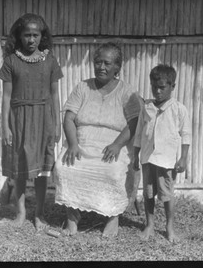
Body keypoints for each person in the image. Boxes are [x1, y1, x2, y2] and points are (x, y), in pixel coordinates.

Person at [54, 42, 142, 237]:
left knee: (112, 171)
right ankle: (72, 218)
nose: (101, 67)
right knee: (64, 167)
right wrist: (73, 144)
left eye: (107, 63)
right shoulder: (82, 87)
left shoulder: (127, 92)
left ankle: (112, 217)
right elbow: (68, 118)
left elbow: (135, 123)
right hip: (81, 143)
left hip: (113, 145)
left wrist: (118, 144)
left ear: (117, 67)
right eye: (98, 62)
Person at [0, 13, 63, 230]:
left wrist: (57, 123)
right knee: (19, 169)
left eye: (36, 35)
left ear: (42, 36)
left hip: (44, 119)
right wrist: (5, 125)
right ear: (19, 36)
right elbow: (6, 97)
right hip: (19, 120)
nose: (31, 40)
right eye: (27, 35)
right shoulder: (11, 61)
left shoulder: (51, 61)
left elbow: (55, 95)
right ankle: (21, 213)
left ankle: (40, 214)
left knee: (43, 171)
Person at [133, 64, 191, 242]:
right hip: (148, 158)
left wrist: (183, 158)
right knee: (148, 193)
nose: (157, 91)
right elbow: (139, 132)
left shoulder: (178, 109)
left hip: (166, 161)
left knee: (166, 194)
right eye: (154, 87)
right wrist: (135, 155)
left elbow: (186, 134)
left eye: (162, 87)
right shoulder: (147, 107)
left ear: (172, 87)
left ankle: (169, 227)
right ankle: (149, 225)